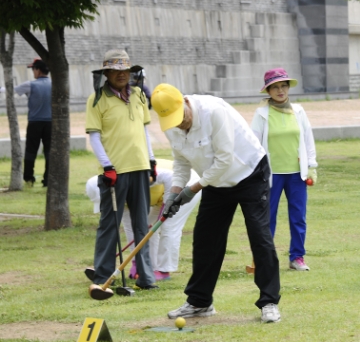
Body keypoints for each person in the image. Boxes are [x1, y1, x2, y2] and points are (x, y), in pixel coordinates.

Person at [151, 83, 282, 323]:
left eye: (181, 118)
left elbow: (224, 160)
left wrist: (191, 190)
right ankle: (200, 302)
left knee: (259, 236)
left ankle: (269, 302)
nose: (180, 124)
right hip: (213, 182)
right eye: (173, 121)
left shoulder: (214, 111)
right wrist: (174, 193)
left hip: (249, 173)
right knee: (205, 240)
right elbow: (180, 161)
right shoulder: (171, 124)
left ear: (185, 103)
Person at [85, 49, 158, 292]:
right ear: (107, 73)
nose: (122, 74)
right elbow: (94, 136)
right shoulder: (97, 99)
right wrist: (107, 166)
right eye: (116, 70)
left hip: (140, 167)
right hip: (114, 172)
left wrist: (151, 159)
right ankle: (102, 276)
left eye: (125, 70)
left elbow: (144, 131)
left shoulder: (138, 94)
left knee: (141, 225)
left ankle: (146, 277)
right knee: (109, 224)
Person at [85, 159, 202, 281]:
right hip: (159, 194)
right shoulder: (118, 196)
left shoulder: (130, 176)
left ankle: (164, 271)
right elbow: (131, 228)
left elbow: (170, 176)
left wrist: (169, 200)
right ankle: (148, 266)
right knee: (144, 227)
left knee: (168, 226)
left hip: (184, 183)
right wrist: (137, 263)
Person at [250, 68, 317, 271]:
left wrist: (312, 166)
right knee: (267, 218)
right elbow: (254, 145)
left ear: (288, 88)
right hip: (271, 176)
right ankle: (266, 259)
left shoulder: (299, 111)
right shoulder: (261, 114)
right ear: (268, 91)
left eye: (283, 86)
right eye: (275, 87)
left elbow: (307, 139)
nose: (280, 90)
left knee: (298, 217)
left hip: (297, 173)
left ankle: (297, 257)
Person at [14, 58, 51, 187]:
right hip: (51, 123)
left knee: (31, 151)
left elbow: (12, 90)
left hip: (35, 123)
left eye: (33, 69)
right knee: (49, 152)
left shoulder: (30, 84)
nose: (33, 72)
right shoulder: (55, 84)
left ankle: (29, 178)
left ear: (38, 70)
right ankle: (48, 180)